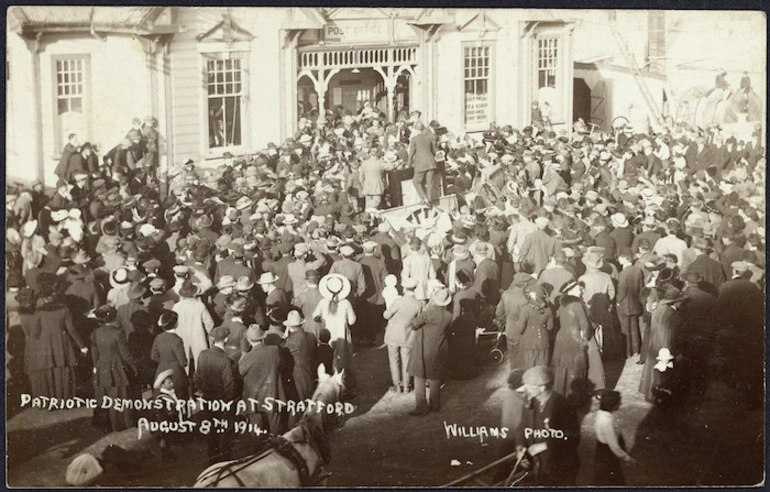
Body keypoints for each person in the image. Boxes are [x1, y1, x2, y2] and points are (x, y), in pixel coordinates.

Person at [515, 365, 580, 486]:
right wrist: (520, 445)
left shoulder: (563, 405)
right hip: (539, 466)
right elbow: (521, 427)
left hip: (561, 467)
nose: (525, 390)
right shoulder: (530, 402)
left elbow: (574, 438)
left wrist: (545, 445)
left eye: (529, 387)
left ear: (542, 387)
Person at [34, 272, 89, 400]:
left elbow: (35, 330)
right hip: (62, 342)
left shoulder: (39, 310)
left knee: (50, 369)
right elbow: (72, 330)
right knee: (64, 369)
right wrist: (82, 346)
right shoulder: (64, 309)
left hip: (46, 342)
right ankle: (65, 396)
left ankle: (51, 396)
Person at [89, 305, 138, 432]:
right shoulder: (118, 333)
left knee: (104, 394)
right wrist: (134, 367)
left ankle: (105, 423)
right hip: (116, 366)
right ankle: (121, 422)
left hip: (102, 365)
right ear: (114, 317)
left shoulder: (95, 333)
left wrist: (96, 366)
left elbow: (94, 352)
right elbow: (126, 355)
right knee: (118, 394)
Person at [193, 324, 236, 465]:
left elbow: (197, 376)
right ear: (226, 339)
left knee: (211, 428)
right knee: (225, 429)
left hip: (206, 397)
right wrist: (230, 398)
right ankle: (225, 458)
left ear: (212, 339)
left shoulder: (203, 354)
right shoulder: (224, 359)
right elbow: (229, 383)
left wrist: (200, 390)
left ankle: (212, 457)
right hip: (221, 399)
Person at [407, 287, 453, 415]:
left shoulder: (428, 312)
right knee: (435, 376)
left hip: (424, 348)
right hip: (440, 348)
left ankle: (421, 406)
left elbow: (414, 324)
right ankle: (435, 404)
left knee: (420, 376)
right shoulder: (448, 316)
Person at [639, 285, 685, 403]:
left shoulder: (658, 309)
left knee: (653, 369)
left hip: (655, 344)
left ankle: (650, 394)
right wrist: (677, 352)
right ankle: (662, 396)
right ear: (676, 302)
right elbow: (674, 336)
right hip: (666, 347)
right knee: (664, 374)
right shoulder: (673, 315)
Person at [314, 274, 357, 395]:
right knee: (344, 360)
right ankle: (346, 386)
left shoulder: (323, 302)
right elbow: (352, 321)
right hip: (342, 337)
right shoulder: (346, 303)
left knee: (330, 362)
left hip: (328, 337)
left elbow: (315, 316)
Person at [239, 324, 285, 433]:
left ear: (249, 340)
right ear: (263, 337)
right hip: (273, 392)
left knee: (256, 425)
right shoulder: (274, 350)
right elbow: (281, 365)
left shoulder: (248, 356)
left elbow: (240, 371)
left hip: (254, 395)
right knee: (275, 424)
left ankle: (257, 446)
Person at [383, 277, 421, 393]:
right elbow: (418, 320)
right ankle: (406, 386)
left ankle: (397, 385)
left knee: (394, 360)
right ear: (415, 289)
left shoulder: (398, 301)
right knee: (407, 360)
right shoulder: (418, 303)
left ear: (404, 288)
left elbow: (386, 315)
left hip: (393, 335)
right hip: (408, 335)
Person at [594, 390, 638, 485]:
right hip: (608, 455)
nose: (621, 404)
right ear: (613, 405)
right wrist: (628, 459)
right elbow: (614, 447)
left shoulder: (600, 414)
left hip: (600, 452)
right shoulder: (607, 422)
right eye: (619, 402)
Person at [172, 280, 215, 370]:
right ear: (194, 293)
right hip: (198, 335)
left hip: (181, 335)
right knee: (200, 360)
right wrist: (209, 334)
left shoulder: (177, 306)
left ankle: (185, 378)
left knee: (183, 358)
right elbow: (209, 323)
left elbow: (172, 322)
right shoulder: (200, 306)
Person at [151, 310, 189, 399]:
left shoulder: (158, 337)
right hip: (176, 371)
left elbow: (153, 356)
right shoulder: (177, 340)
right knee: (180, 395)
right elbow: (183, 362)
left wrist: (164, 361)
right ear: (176, 324)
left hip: (161, 368)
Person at [516, 283, 553, 370]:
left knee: (529, 369)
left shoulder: (525, 309)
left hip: (529, 342)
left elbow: (520, 330)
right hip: (544, 342)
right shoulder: (548, 309)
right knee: (542, 369)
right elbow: (550, 327)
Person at [407, 121, 438, 204]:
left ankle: (424, 198)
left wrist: (408, 165)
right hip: (431, 163)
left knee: (416, 181)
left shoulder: (414, 139)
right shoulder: (429, 138)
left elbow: (411, 154)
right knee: (429, 182)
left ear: (415, 130)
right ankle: (430, 200)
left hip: (421, 164)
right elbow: (435, 152)